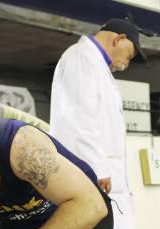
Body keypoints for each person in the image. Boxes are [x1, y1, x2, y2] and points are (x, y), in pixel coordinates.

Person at [50, 18, 146, 196]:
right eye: (129, 56)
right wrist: (97, 169)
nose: (127, 64)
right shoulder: (81, 57)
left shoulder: (95, 63)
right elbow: (78, 117)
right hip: (91, 177)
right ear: (119, 39)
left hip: (101, 180)